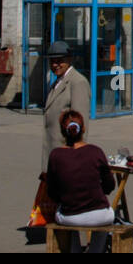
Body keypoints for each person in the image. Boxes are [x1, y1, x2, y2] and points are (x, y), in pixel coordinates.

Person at [46, 108, 115, 253]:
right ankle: (95, 251)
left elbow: (51, 191)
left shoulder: (55, 155)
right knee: (106, 218)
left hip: (70, 214)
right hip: (99, 214)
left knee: (65, 215)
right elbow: (109, 186)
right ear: (83, 129)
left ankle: (75, 250)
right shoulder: (96, 151)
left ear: (62, 131)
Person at [42, 41, 91, 169]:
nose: (55, 65)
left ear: (69, 59)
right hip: (54, 151)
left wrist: (76, 155)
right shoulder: (58, 81)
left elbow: (80, 122)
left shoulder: (77, 82)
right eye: (52, 61)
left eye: (59, 61)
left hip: (66, 154)